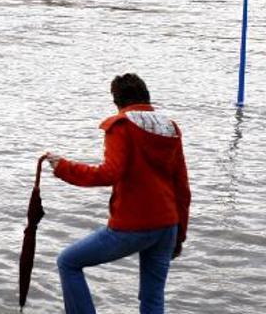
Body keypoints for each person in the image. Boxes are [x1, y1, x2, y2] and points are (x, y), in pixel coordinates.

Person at [44, 73, 190, 314]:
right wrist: (179, 234)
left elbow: (109, 173)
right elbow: (182, 186)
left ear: (117, 101)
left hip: (133, 225)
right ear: (146, 96)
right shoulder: (169, 127)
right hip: (167, 225)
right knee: (153, 298)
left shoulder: (120, 126)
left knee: (68, 261)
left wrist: (63, 167)